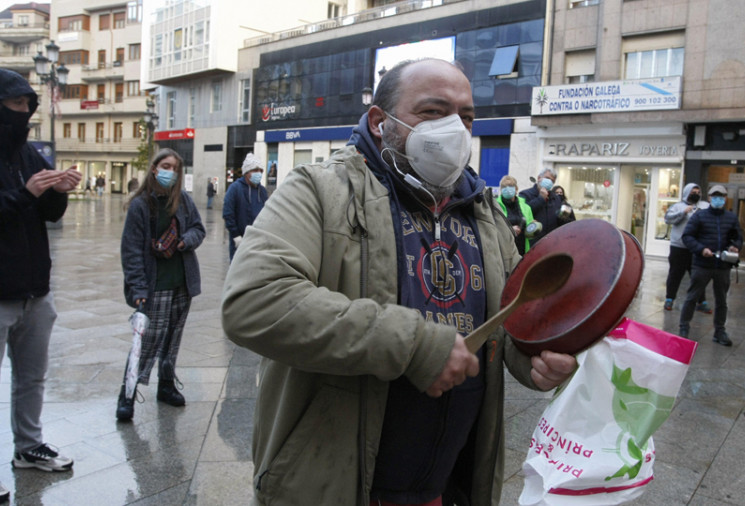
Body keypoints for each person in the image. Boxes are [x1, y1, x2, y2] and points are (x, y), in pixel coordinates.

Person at [221, 59, 577, 506]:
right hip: (337, 485)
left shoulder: (484, 212)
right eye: (433, 111)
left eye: (465, 117)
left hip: (448, 487)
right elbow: (253, 300)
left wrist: (536, 361)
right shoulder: (318, 190)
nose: (454, 129)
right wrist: (413, 344)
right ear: (379, 122)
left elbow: (509, 322)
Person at [0, 68, 82, 504]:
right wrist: (24, 194)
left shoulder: (28, 152)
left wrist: (59, 190)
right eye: (16, 105)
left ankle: (28, 446)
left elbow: (48, 214)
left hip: (34, 288)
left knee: (32, 376)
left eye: (28, 105)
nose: (24, 112)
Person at [117, 148, 206, 421]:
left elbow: (198, 229)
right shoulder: (141, 205)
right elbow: (131, 251)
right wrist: (139, 289)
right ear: (154, 168)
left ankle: (165, 385)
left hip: (182, 282)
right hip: (155, 285)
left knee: (173, 337)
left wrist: (185, 241)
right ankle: (128, 393)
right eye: (166, 166)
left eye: (176, 168)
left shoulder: (184, 201)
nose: (171, 172)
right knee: (147, 341)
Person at [678, 184, 743, 346]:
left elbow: (738, 237)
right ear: (709, 198)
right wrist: (701, 249)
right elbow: (687, 236)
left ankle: (719, 331)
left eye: (721, 196)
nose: (718, 198)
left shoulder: (731, 217)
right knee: (692, 296)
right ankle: (684, 327)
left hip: (723, 265)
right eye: (715, 195)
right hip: (702, 264)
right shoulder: (700, 216)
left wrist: (735, 246)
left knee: (722, 300)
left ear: (725, 198)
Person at [663, 183, 712, 314]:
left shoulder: (704, 207)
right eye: (693, 192)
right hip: (679, 247)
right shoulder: (678, 206)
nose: (696, 194)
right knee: (675, 274)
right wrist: (683, 212)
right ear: (687, 192)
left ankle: (702, 302)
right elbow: (667, 219)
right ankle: (669, 299)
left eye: (698, 192)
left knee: (698, 276)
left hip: (696, 248)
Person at [222, 153, 269, 260]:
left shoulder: (262, 191)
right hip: (240, 241)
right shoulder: (235, 188)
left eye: (260, 171)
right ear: (246, 173)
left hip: (258, 241)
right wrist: (236, 236)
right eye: (255, 170)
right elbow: (228, 213)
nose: (258, 173)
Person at [520, 168, 565, 243]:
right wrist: (541, 199)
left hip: (551, 242)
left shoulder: (556, 198)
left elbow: (560, 221)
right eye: (547, 178)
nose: (549, 181)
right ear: (539, 178)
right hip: (532, 241)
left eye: (552, 181)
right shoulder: (525, 194)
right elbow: (523, 213)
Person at [496, 175, 535, 255]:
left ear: (516, 189)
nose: (507, 189)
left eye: (510, 186)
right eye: (504, 187)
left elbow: (530, 231)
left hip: (522, 248)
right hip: (503, 249)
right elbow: (492, 227)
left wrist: (533, 226)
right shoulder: (495, 206)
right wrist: (509, 229)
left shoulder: (526, 207)